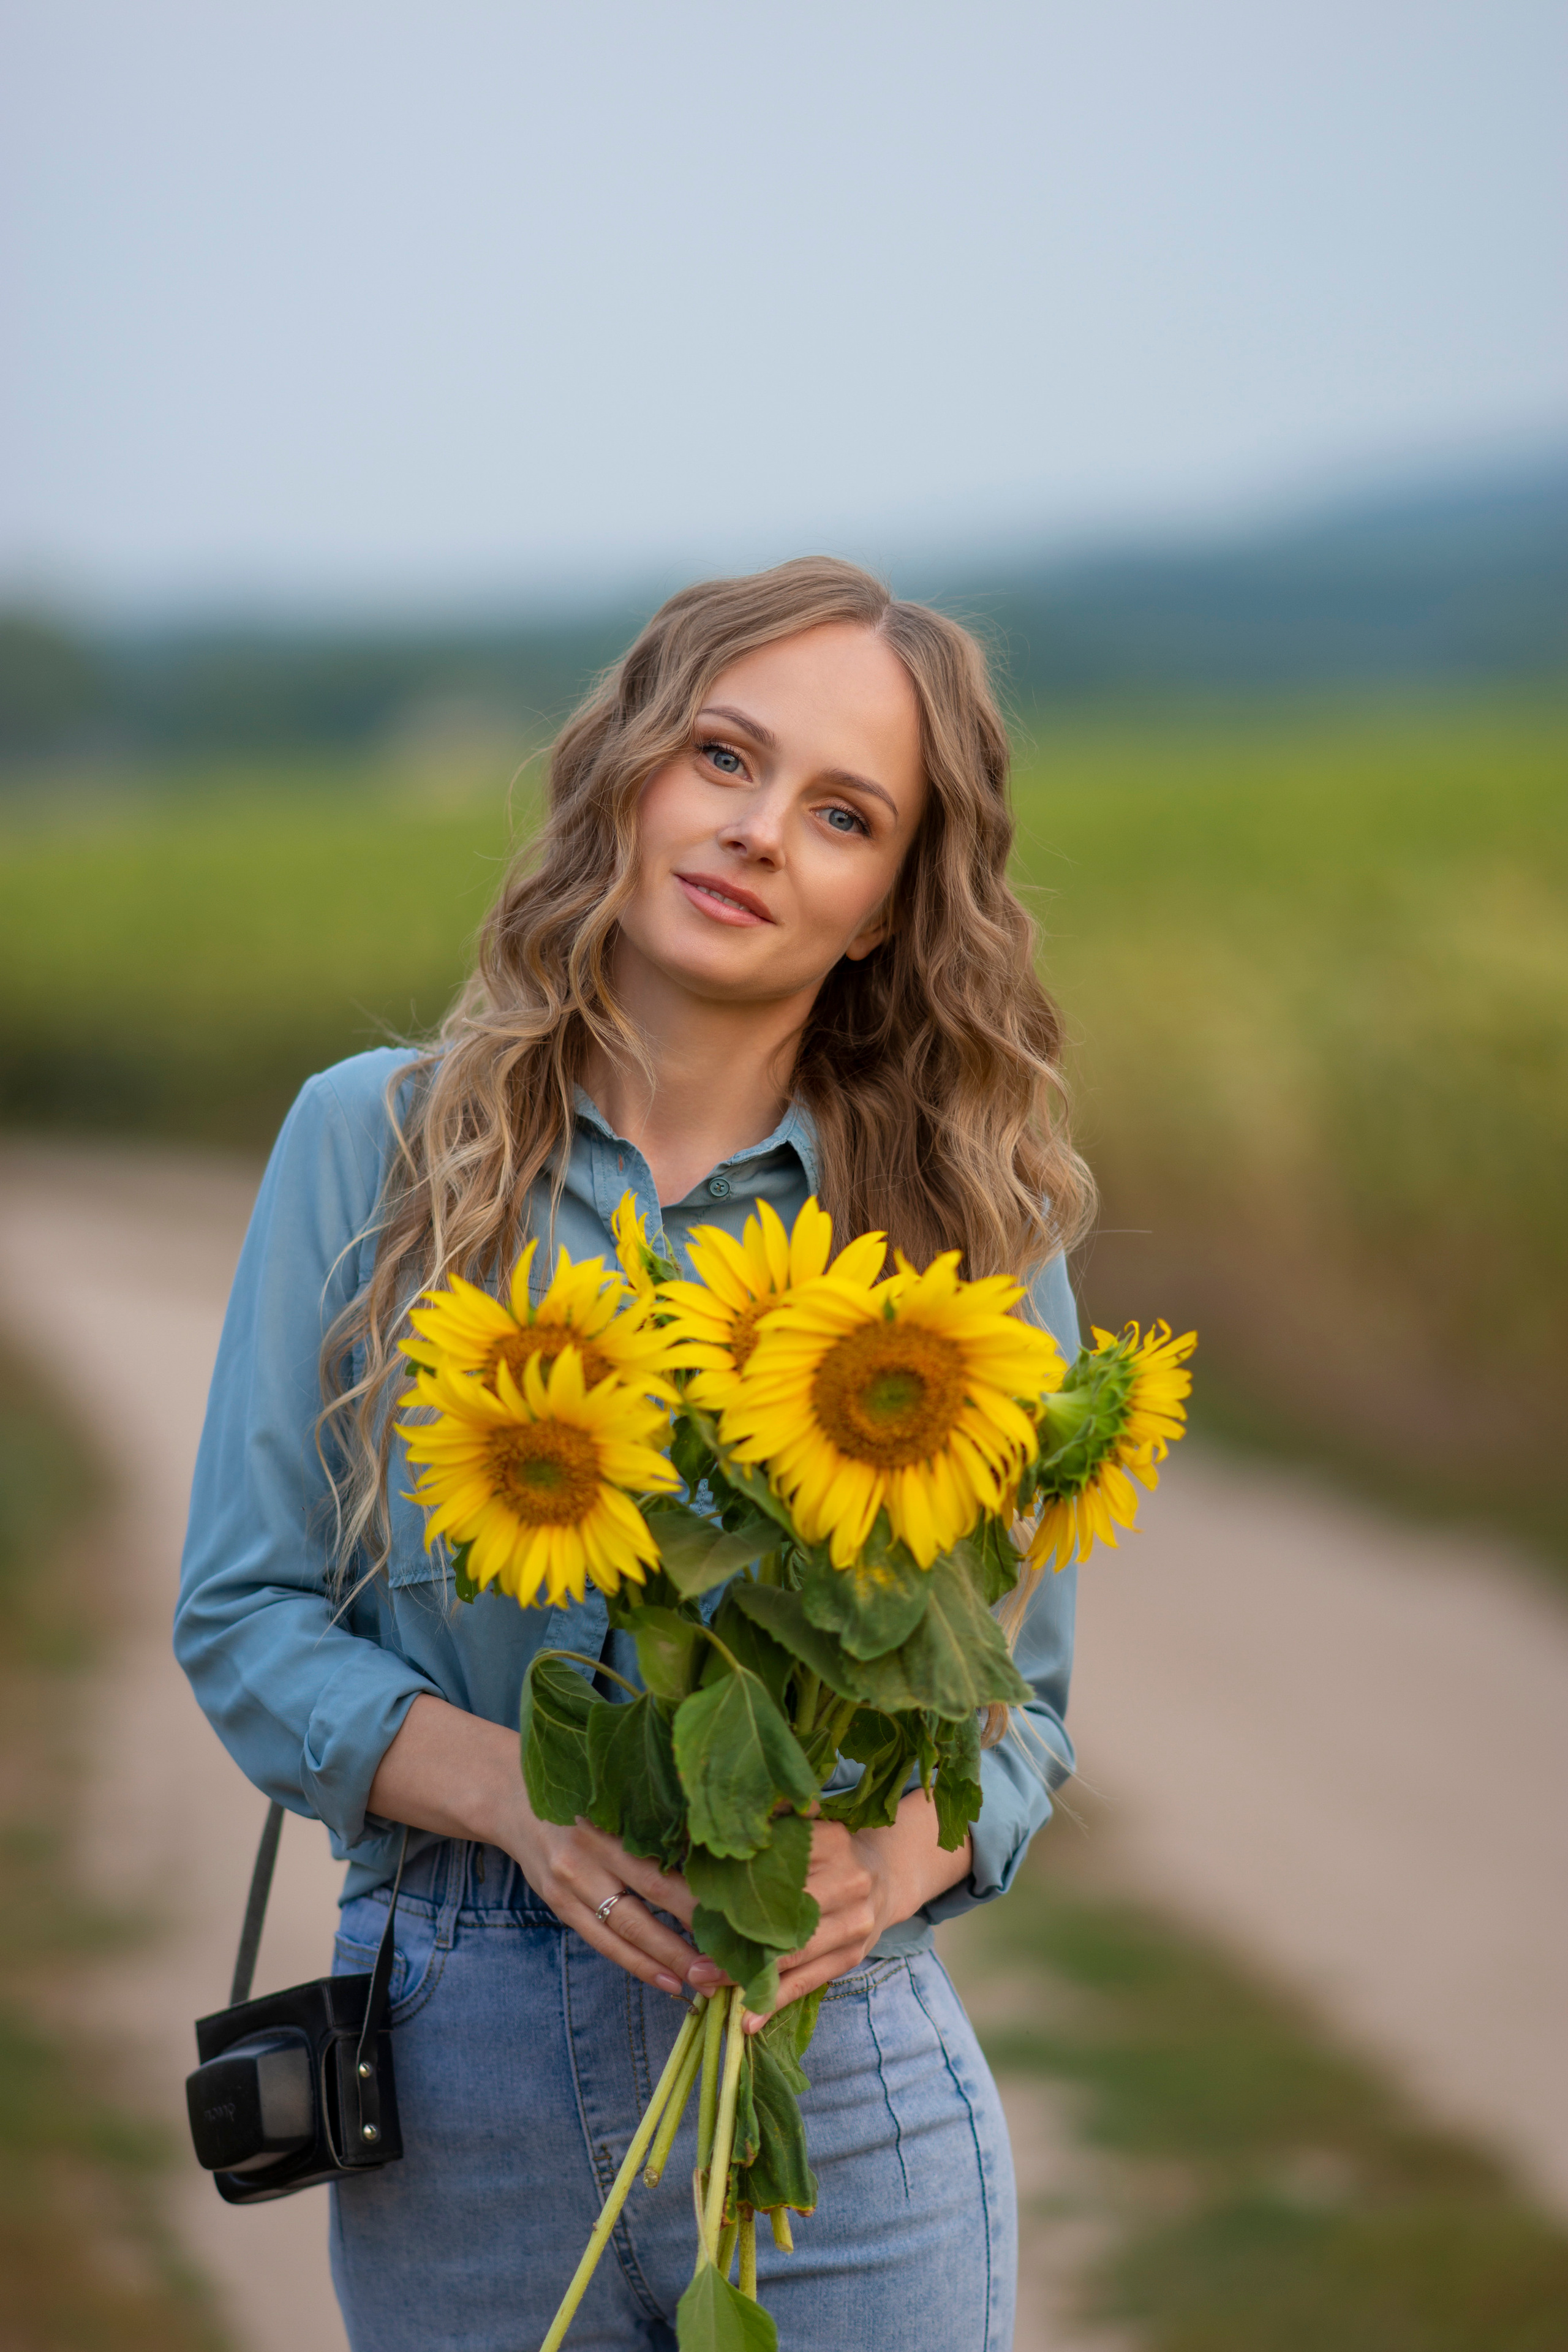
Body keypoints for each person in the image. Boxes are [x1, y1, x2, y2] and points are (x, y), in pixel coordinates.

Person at [176, 557, 1093, 2352]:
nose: (759, 833)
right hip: (453, 2069)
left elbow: (1022, 1712)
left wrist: (889, 1861)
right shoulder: (377, 1146)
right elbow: (246, 1615)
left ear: (890, 909)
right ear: (631, 768)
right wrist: (519, 1795)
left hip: (832, 2079)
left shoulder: (963, 1234)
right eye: (725, 758)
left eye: (843, 815)